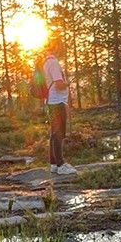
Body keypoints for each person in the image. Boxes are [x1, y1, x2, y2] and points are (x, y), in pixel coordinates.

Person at [42, 45, 76, 175]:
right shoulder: (54, 63)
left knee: (54, 134)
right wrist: (68, 83)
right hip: (57, 102)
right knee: (59, 134)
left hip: (52, 101)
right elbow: (59, 84)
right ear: (56, 48)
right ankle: (61, 165)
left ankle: (53, 163)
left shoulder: (46, 62)